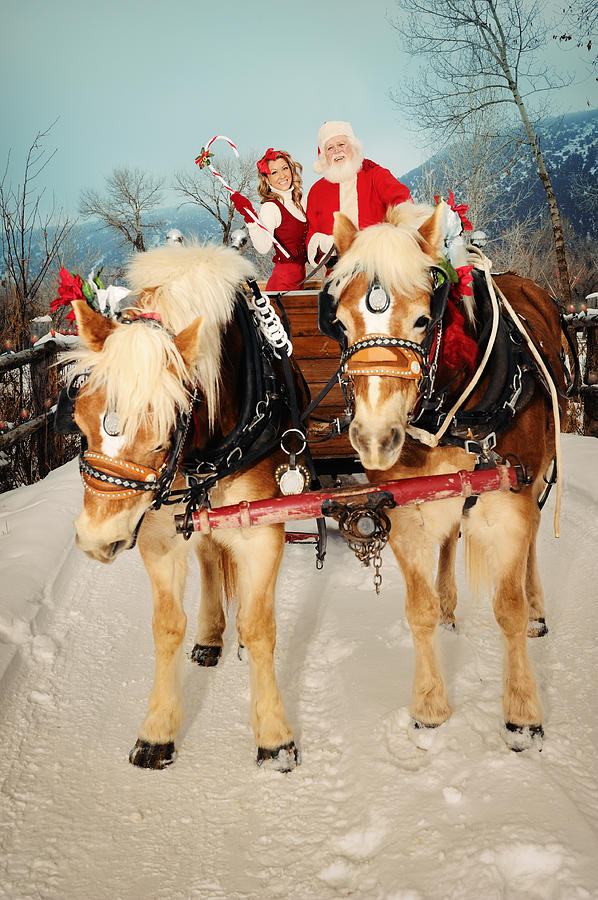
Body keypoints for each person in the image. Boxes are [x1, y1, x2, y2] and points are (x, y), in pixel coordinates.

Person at [306, 121, 413, 266]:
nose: (337, 151)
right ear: (324, 156)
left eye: (342, 144)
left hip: (380, 266)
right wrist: (324, 243)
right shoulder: (316, 192)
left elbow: (402, 201)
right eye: (330, 148)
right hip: (337, 272)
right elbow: (311, 233)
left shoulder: (375, 174)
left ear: (353, 147)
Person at [231, 149, 308, 292]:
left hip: (303, 278)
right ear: (266, 179)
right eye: (274, 172)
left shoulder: (301, 200)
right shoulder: (271, 207)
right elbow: (263, 248)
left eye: (285, 168)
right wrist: (251, 220)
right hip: (283, 284)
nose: (282, 175)